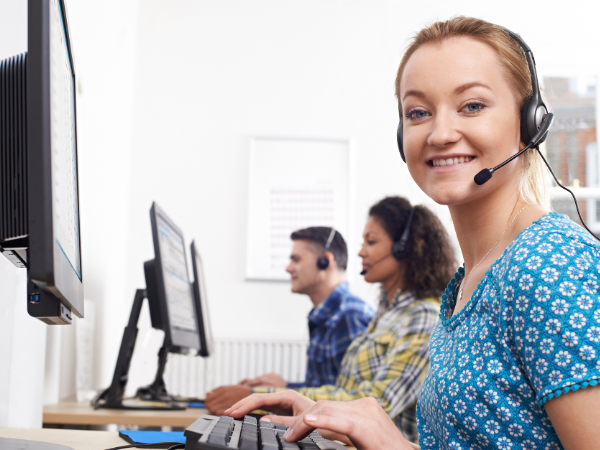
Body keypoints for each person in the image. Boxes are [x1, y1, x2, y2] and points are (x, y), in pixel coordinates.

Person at [224, 17, 600, 449]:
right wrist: (335, 417)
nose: (440, 134)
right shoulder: (468, 281)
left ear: (530, 122)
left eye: (472, 105)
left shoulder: (550, 264)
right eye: (418, 113)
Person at [233, 196, 457, 443]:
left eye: (371, 242)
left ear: (405, 247)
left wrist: (271, 394)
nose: (361, 251)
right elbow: (348, 390)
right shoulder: (388, 314)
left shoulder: (424, 316)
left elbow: (378, 402)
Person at [205, 226, 373, 414]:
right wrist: (286, 386)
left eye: (296, 259)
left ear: (325, 261)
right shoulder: (326, 314)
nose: (288, 268)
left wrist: (262, 395)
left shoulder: (349, 316)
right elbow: (327, 386)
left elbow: (351, 401)